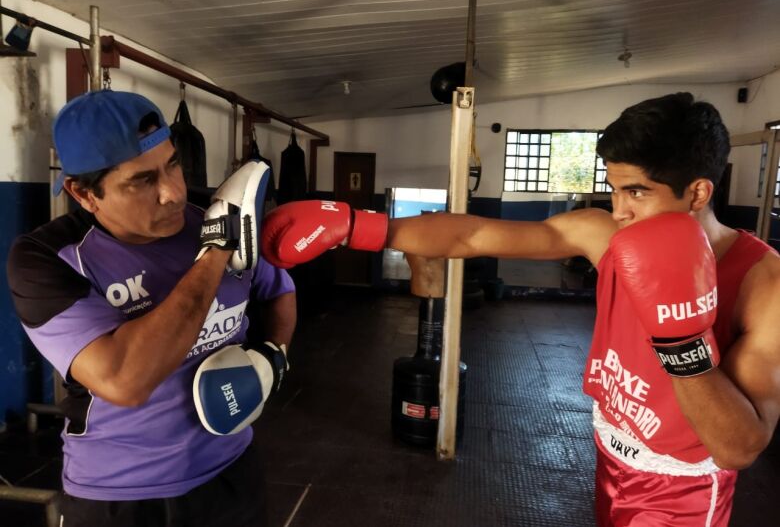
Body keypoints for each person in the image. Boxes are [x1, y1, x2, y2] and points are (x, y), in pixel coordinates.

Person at [260, 92, 780, 526]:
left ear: (698, 192)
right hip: (609, 456)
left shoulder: (764, 283)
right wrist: (359, 227)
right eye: (614, 189)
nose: (618, 209)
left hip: (681, 492)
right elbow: (475, 232)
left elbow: (741, 447)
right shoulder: (607, 235)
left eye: (636, 192)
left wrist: (681, 340)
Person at [6, 90, 296, 527]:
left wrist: (275, 356)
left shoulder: (210, 216)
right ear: (84, 194)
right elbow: (125, 381)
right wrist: (216, 249)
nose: (172, 193)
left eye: (173, 163)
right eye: (142, 180)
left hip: (232, 470)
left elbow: (279, 290)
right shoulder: (47, 258)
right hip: (119, 493)